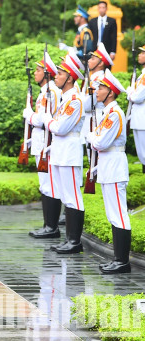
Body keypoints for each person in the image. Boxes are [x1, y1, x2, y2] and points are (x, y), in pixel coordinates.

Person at [87, 69, 131, 273]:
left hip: (114, 165)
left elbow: (101, 142)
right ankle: (118, 259)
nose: (97, 91)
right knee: (113, 214)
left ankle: (122, 261)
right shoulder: (108, 113)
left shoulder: (114, 115)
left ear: (111, 92)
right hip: (108, 166)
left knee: (119, 214)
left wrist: (91, 138)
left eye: (102, 88)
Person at [44, 52, 86, 254]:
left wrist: (47, 121)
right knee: (66, 197)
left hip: (69, 152)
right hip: (60, 151)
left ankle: (75, 241)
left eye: (60, 74)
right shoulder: (65, 99)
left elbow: (60, 128)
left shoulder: (75, 100)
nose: (56, 77)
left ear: (70, 78)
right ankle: (69, 239)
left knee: (73, 197)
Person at [24, 52, 61, 238]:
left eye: (38, 70)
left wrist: (29, 115)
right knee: (44, 184)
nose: (35, 73)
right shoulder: (45, 92)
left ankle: (51, 227)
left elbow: (42, 120)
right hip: (40, 142)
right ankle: (48, 225)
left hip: (47, 143)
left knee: (49, 185)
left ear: (47, 74)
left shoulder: (51, 92)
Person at [127, 43, 145, 171]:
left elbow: (137, 97)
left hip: (142, 119)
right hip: (139, 119)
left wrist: (129, 92)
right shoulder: (142, 75)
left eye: (143, 53)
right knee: (142, 155)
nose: (140, 55)